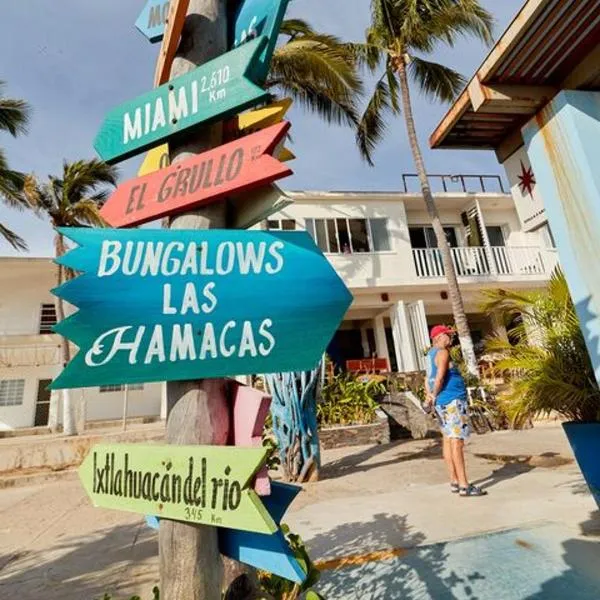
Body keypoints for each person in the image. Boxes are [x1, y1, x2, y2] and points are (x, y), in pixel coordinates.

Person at [425, 325, 487, 497]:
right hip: (452, 402)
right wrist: (434, 395)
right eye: (447, 335)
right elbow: (439, 378)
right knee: (457, 442)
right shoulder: (442, 353)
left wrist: (430, 398)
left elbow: (427, 379)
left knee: (448, 439)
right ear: (438, 337)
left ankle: (454, 480)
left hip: (442, 403)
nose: (450, 338)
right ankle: (464, 485)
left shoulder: (429, 354)